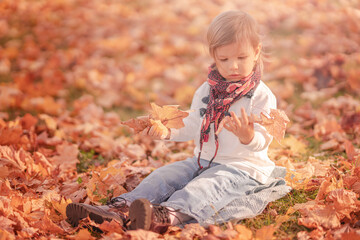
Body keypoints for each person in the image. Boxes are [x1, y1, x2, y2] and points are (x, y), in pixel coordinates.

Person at [66, 10, 290, 233]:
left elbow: (265, 137)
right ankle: (119, 210)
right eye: (225, 59)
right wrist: (168, 133)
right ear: (214, 56)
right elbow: (193, 124)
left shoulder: (260, 95)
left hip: (241, 168)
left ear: (256, 52)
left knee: (204, 187)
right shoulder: (207, 91)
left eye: (241, 58)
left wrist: (248, 136)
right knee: (164, 176)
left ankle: (165, 216)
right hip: (201, 161)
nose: (233, 66)